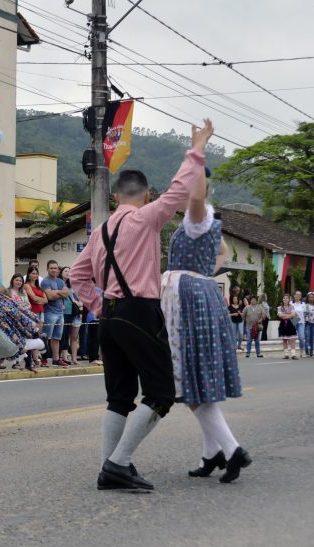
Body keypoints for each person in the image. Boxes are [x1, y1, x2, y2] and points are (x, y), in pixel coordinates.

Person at [71, 118, 214, 492]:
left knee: (119, 397)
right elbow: (179, 189)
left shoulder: (100, 232)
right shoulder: (148, 218)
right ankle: (118, 463)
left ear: (116, 197)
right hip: (139, 312)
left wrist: (97, 305)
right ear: (146, 196)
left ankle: (109, 468)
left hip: (109, 317)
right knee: (161, 394)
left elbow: (77, 275)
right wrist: (197, 148)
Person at [160, 160, 250, 483]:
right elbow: (223, 251)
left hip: (188, 299)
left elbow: (197, 196)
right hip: (201, 292)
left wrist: (196, 154)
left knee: (189, 380)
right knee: (197, 382)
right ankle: (211, 453)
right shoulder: (206, 220)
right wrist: (204, 273)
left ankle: (232, 449)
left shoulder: (197, 216)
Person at [41, 260, 71, 367]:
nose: (54, 270)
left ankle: (56, 359)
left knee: (57, 338)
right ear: (47, 269)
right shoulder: (45, 281)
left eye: (55, 268)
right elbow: (50, 297)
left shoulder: (60, 281)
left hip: (60, 313)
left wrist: (56, 292)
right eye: (51, 268)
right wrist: (60, 292)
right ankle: (44, 359)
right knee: (46, 337)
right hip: (49, 312)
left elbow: (67, 293)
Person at [24, 266, 47, 367]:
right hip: (33, 313)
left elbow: (46, 300)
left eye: (36, 273)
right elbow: (33, 298)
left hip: (41, 312)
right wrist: (40, 299)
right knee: (32, 335)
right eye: (33, 273)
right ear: (29, 274)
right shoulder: (27, 285)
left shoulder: (39, 287)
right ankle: (32, 359)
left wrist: (39, 300)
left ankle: (36, 357)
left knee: (38, 336)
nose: (35, 275)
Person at [60, 266, 82, 365]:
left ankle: (74, 358)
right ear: (61, 272)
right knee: (64, 336)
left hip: (75, 313)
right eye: (66, 271)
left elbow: (81, 298)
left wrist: (79, 304)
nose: (68, 272)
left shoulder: (74, 284)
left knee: (74, 337)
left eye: (69, 271)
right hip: (64, 312)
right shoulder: (59, 283)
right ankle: (64, 357)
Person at [277, 294, 297, 359]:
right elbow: (280, 315)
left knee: (292, 339)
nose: (285, 299)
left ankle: (293, 354)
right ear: (282, 299)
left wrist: (285, 315)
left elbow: (293, 315)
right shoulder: (280, 307)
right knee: (284, 339)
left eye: (287, 298)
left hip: (291, 324)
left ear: (289, 299)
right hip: (283, 324)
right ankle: (286, 354)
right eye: (284, 298)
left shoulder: (292, 307)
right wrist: (289, 315)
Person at [303, 292, 314, 357]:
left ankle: (311, 352)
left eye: (312, 297)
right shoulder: (305, 305)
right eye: (310, 297)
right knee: (307, 338)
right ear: (307, 298)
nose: (311, 299)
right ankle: (307, 352)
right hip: (308, 323)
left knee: (312, 338)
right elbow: (304, 314)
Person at [292, 290, 306, 359]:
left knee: (301, 337)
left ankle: (301, 352)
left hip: (301, 322)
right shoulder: (291, 303)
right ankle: (293, 352)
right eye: (297, 294)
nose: (298, 296)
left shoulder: (303, 304)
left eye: (299, 295)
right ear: (294, 295)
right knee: (293, 338)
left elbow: (305, 313)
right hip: (293, 321)